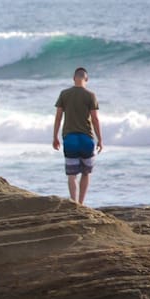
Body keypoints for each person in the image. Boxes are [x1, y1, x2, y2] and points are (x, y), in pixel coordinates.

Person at [53, 67, 104, 205]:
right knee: (86, 173)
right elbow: (95, 119)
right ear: (86, 79)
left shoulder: (64, 94)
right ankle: (81, 203)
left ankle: (74, 203)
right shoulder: (90, 95)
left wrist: (55, 137)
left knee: (71, 175)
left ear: (73, 78)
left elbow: (58, 118)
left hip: (70, 139)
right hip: (87, 139)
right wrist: (100, 140)